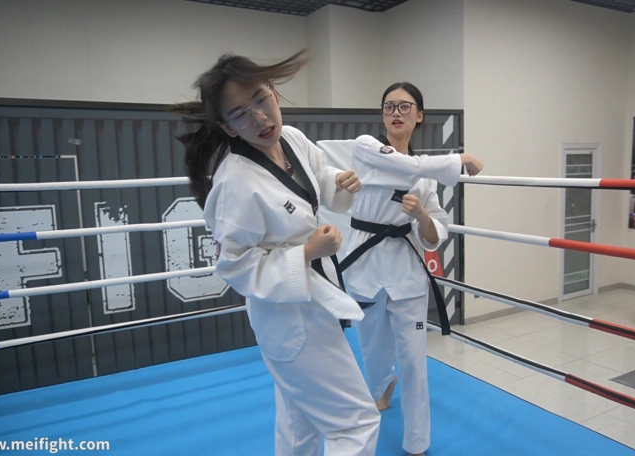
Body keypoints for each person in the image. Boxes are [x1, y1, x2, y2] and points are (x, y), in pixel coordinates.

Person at [173, 51, 380, 456]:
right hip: (289, 319)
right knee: (356, 423)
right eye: (240, 114)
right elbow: (235, 265)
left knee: (299, 426)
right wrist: (306, 252)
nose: (260, 118)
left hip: (311, 303)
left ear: (275, 93)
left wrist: (340, 181)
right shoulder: (236, 184)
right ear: (226, 127)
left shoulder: (292, 139)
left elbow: (317, 177)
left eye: (261, 99)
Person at [339, 82, 483, 456]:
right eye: (389, 106)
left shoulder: (426, 178)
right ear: (382, 114)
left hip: (407, 275)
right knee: (372, 353)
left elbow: (434, 237)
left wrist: (421, 214)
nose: (396, 113)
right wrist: (459, 159)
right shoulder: (365, 149)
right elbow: (404, 165)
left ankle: (417, 441)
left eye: (405, 107)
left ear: (419, 116)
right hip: (365, 270)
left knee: (415, 363)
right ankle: (384, 383)